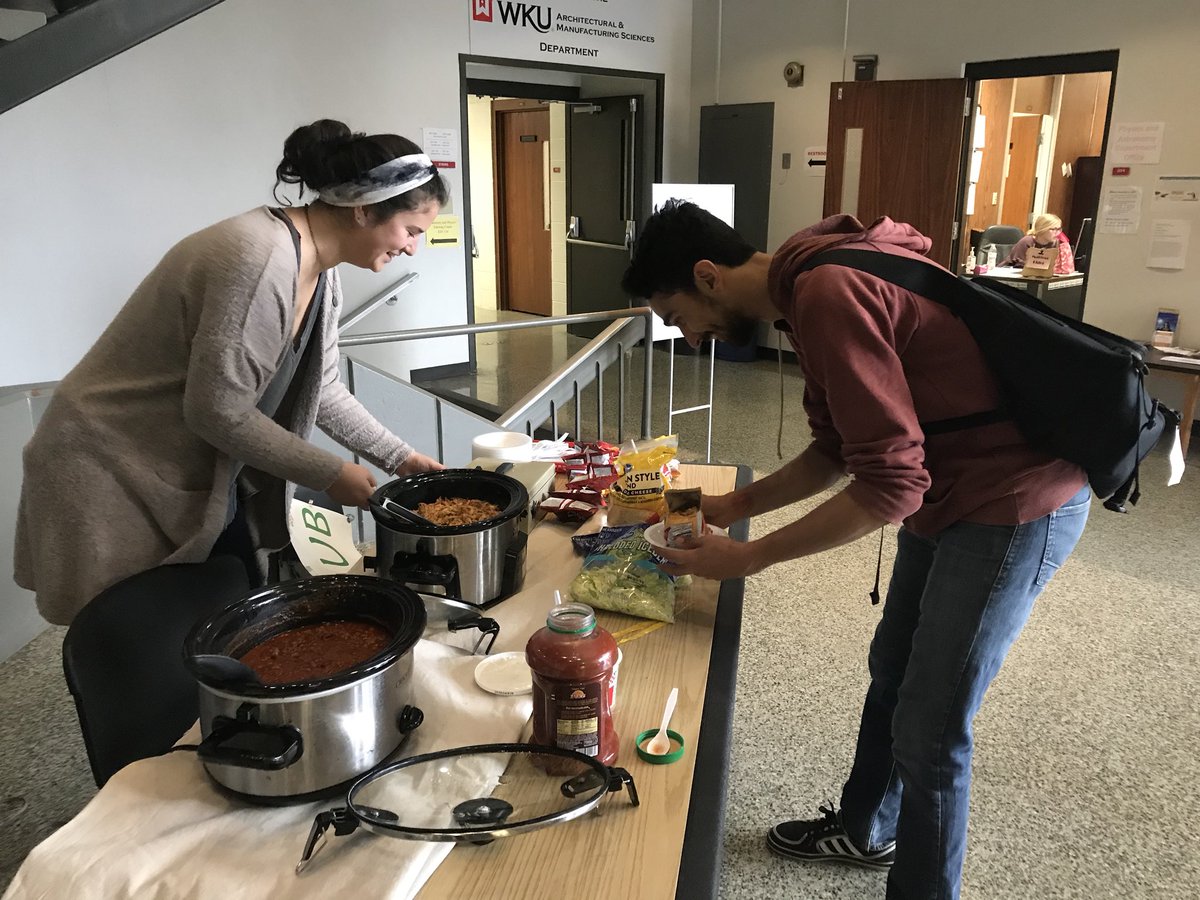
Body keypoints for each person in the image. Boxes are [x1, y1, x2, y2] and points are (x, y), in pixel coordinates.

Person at [621, 200, 1091, 900]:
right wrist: (736, 506)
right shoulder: (806, 283)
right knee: (893, 671)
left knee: (932, 730)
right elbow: (841, 449)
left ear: (707, 275)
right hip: (954, 490)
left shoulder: (827, 291)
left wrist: (750, 556)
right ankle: (866, 830)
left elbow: (891, 485)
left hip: (1014, 500)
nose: (689, 340)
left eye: (676, 317)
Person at [14, 119, 446, 626]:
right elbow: (218, 412)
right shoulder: (260, 258)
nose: (413, 248)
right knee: (133, 636)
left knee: (222, 612)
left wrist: (402, 457)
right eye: (411, 231)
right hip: (109, 457)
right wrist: (331, 473)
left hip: (178, 460)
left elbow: (324, 388)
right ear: (363, 209)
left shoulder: (322, 276)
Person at [1000, 212, 1075, 273]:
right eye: (1053, 229)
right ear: (1042, 229)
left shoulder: (1056, 243)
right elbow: (1019, 266)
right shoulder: (1026, 242)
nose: (1057, 233)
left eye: (1059, 229)